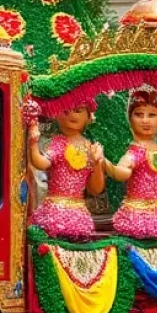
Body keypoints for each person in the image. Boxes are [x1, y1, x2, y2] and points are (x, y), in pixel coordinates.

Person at [101, 88, 157, 239]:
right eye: (139, 114)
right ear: (130, 118)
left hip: (155, 218)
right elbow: (122, 173)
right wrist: (105, 163)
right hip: (132, 217)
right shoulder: (135, 152)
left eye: (152, 115)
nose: (145, 120)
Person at [28, 103, 105, 241]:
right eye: (66, 110)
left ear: (88, 116)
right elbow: (41, 163)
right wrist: (34, 142)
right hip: (54, 213)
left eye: (78, 110)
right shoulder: (58, 144)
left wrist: (97, 163)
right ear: (57, 115)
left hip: (79, 214)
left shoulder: (90, 148)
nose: (72, 115)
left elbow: (96, 189)